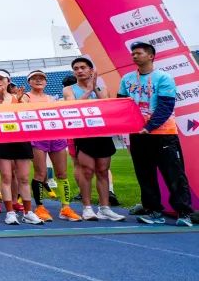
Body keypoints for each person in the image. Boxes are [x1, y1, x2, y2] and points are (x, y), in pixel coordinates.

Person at [117, 43, 192, 226]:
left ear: (150, 56)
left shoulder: (164, 78)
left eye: (138, 53)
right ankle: (153, 211)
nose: (134, 56)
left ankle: (184, 213)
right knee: (145, 175)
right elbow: (121, 104)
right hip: (138, 134)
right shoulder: (127, 79)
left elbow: (166, 106)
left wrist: (149, 127)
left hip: (163, 134)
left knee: (174, 174)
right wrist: (129, 125)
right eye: (133, 54)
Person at [62, 57, 126, 221]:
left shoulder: (102, 88)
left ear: (91, 70)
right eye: (76, 68)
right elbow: (72, 107)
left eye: (83, 67)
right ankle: (87, 208)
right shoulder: (69, 89)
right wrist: (88, 91)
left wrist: (94, 87)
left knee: (103, 171)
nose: (79, 71)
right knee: (87, 171)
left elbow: (106, 104)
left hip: (102, 134)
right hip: (84, 135)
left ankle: (105, 208)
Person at [0, 70, 42, 225]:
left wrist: (19, 102)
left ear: (8, 81)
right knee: (6, 177)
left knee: (23, 178)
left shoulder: (20, 97)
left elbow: (28, 115)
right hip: (1, 140)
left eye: (0, 78)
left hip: (20, 139)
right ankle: (10, 213)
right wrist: (1, 101)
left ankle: (28, 212)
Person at [26, 69, 79, 222]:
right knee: (40, 173)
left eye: (41, 78)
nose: (38, 80)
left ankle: (66, 208)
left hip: (56, 137)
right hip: (37, 137)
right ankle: (40, 207)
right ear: (29, 82)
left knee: (62, 173)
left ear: (46, 82)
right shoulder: (25, 98)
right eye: (35, 78)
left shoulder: (52, 99)